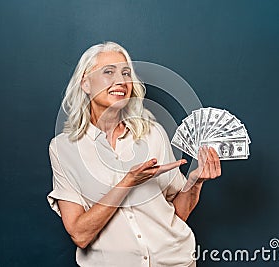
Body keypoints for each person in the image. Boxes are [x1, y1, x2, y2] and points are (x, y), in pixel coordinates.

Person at [47, 41, 222, 267]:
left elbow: (177, 215)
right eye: (108, 72)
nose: (121, 81)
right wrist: (127, 183)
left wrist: (195, 183)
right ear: (85, 83)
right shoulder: (63, 149)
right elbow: (80, 235)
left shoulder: (153, 134)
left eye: (126, 73)